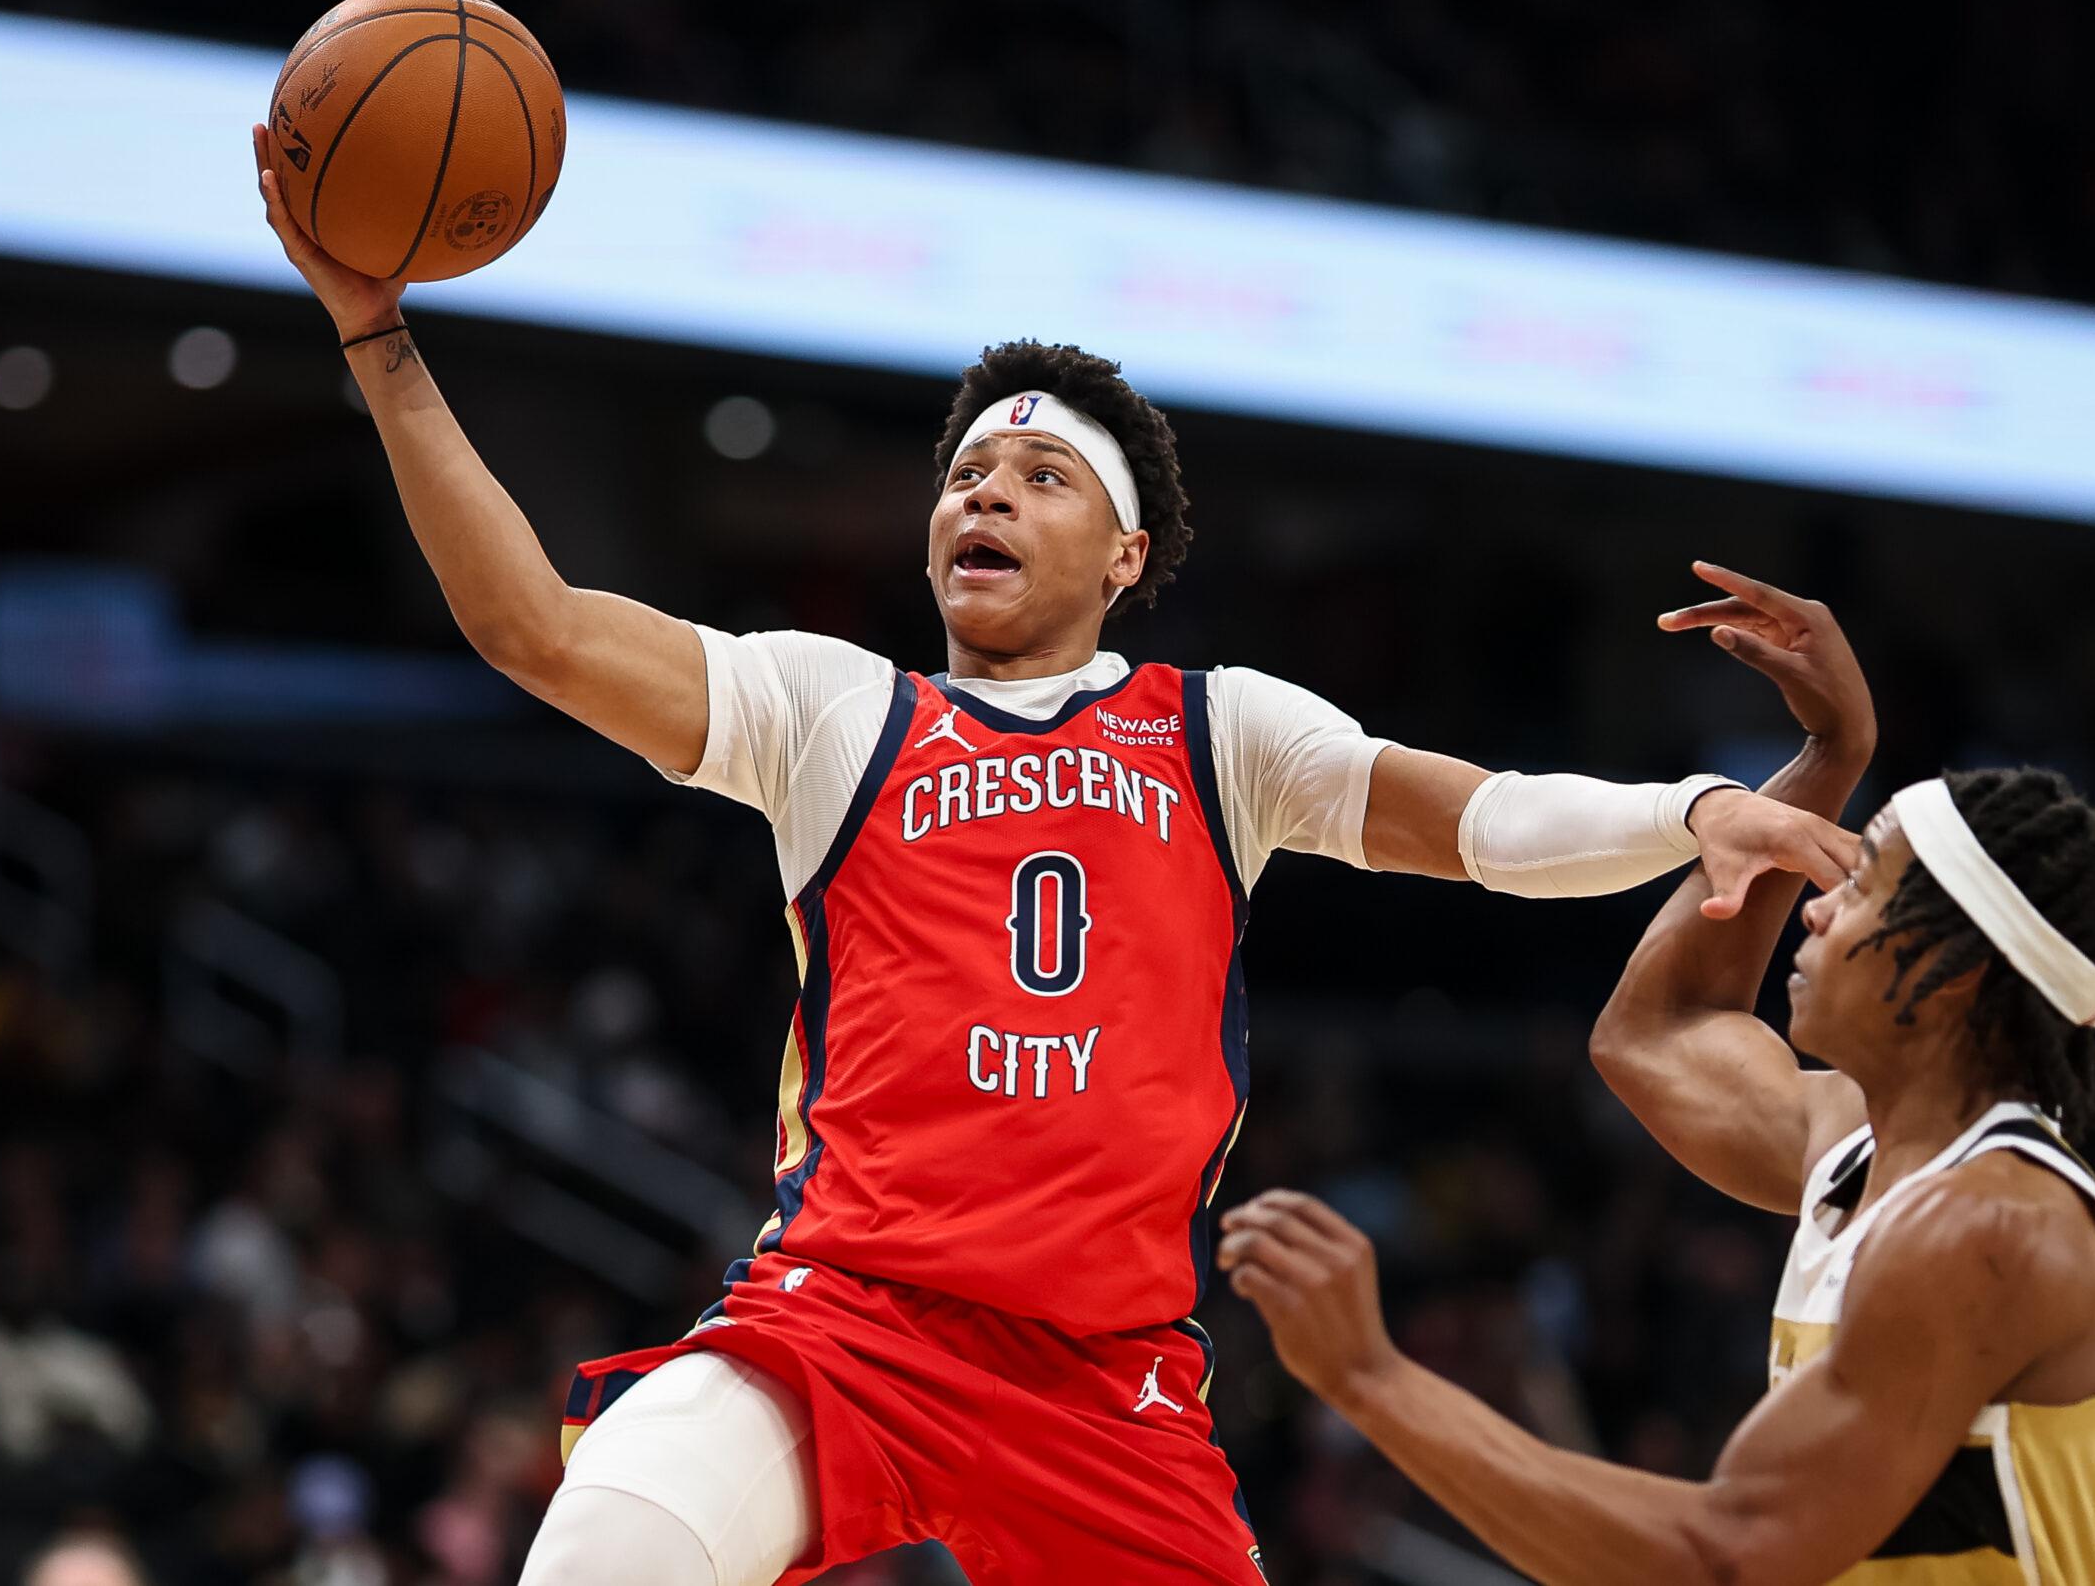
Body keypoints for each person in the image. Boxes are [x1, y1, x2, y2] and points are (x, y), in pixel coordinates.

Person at [252, 135, 1859, 1586]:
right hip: (848, 1315)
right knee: (605, 1548)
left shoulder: (1220, 730)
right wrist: (376, 335)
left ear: (1125, 552)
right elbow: (531, 627)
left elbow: (1490, 824)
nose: (988, 494)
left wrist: (1688, 811)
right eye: (966, 475)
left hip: (1106, 1377)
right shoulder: (834, 710)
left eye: (1041, 478)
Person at [1222, 569, 2095, 1586]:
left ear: (1956, 972)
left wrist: (1371, 1379)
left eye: (1860, 890)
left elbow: (1726, 1556)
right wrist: (1829, 756)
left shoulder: (1991, 1230)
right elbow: (1660, 1031)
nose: (1814, 903)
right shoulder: (1860, 1146)